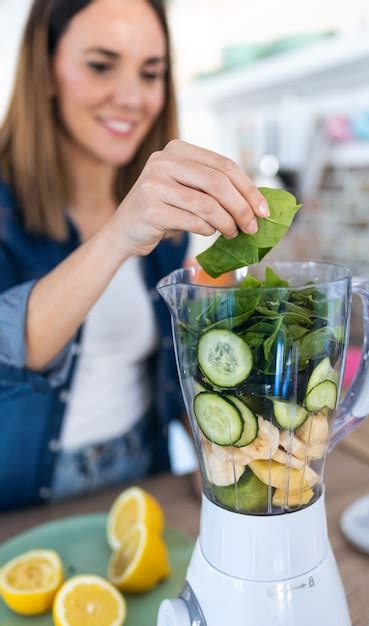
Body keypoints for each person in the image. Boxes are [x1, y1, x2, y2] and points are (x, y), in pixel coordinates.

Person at [0, 0, 269, 511]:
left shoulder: (165, 221)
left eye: (151, 73)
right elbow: (9, 348)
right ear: (46, 70)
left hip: (145, 489)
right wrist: (118, 233)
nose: (132, 97)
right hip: (20, 508)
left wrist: (214, 446)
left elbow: (174, 369)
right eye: (101, 65)